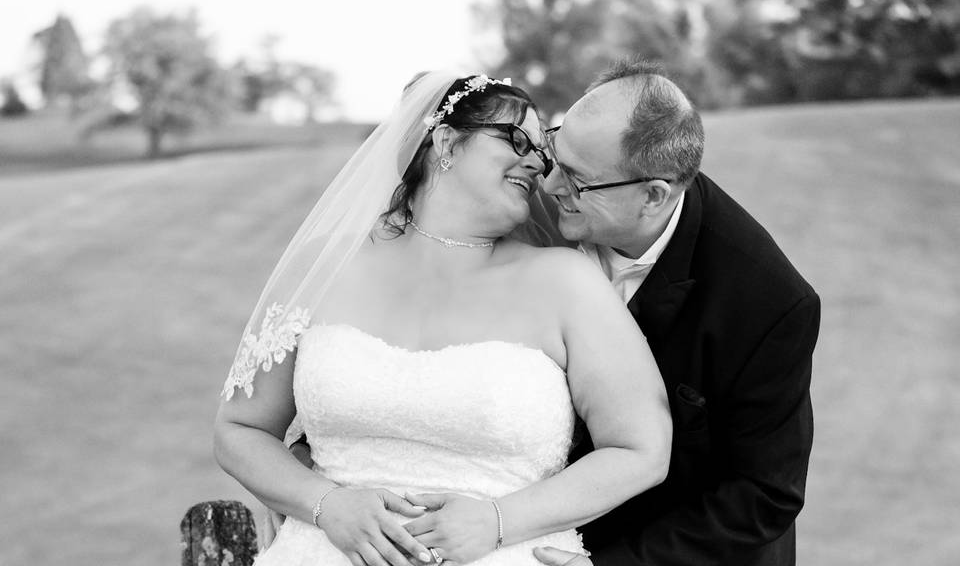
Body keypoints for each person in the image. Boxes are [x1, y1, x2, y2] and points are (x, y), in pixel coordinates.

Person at [214, 71, 673, 566]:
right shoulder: (323, 267)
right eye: (519, 139)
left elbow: (641, 449)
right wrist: (326, 505)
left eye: (543, 153)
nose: (537, 165)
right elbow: (240, 429)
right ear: (446, 140)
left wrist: (497, 522)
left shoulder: (567, 281)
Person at [532, 59, 820, 566]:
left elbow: (762, 494)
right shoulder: (532, 213)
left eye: (576, 179)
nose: (550, 184)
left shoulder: (767, 302)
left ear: (652, 195)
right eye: (556, 154)